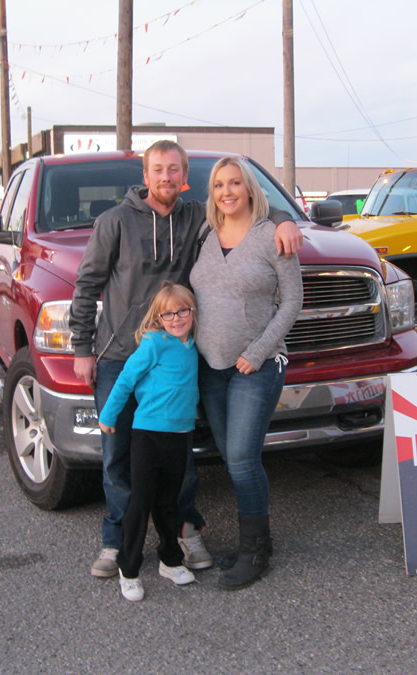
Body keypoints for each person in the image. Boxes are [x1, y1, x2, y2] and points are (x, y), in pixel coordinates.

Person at [70, 140, 303, 578]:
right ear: (145, 177)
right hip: (122, 356)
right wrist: (82, 348)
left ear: (184, 178)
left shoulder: (196, 217)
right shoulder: (114, 222)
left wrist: (286, 217)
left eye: (173, 170)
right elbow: (86, 287)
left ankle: (185, 531)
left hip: (179, 359)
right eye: (157, 170)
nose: (165, 178)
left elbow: (246, 207)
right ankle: (116, 540)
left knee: (180, 452)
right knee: (118, 453)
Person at [190, 156, 303, 590]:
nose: (227, 191)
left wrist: (257, 352)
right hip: (211, 367)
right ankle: (258, 541)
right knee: (232, 455)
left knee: (240, 459)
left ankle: (255, 550)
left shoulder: (272, 236)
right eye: (219, 185)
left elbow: (292, 302)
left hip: (255, 366)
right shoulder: (205, 234)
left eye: (235, 182)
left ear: (250, 188)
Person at [98, 282, 200, 602]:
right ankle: (128, 569)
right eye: (168, 313)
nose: (176, 318)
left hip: (179, 436)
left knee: (169, 502)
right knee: (140, 502)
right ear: (158, 317)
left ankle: (170, 560)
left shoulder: (194, 345)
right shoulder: (155, 343)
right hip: (148, 435)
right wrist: (109, 416)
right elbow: (127, 378)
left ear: (193, 312)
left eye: (183, 311)